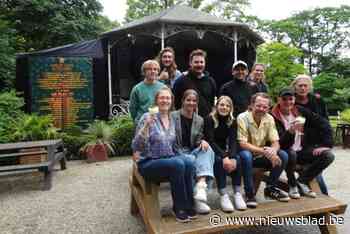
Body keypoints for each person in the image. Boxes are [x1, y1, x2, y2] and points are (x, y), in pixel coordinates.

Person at [132, 87, 196, 223]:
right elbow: (136, 146)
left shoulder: (172, 119)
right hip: (148, 163)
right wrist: (146, 127)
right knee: (177, 164)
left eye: (168, 98)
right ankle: (179, 207)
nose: (165, 100)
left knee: (188, 162)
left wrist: (186, 157)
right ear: (156, 100)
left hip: (169, 160)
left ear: (171, 101)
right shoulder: (147, 117)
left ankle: (189, 205)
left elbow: (174, 146)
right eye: (162, 98)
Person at [271, 88, 335, 198]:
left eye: (290, 99)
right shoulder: (272, 115)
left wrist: (326, 145)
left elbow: (323, 123)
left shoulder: (299, 110)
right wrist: (290, 132)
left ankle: (302, 181)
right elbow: (280, 143)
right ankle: (292, 185)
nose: (288, 102)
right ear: (278, 100)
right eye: (284, 99)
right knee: (291, 153)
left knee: (328, 155)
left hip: (302, 151)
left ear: (294, 100)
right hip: (284, 152)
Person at [237, 93, 290, 208]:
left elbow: (275, 141)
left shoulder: (269, 118)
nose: (261, 109)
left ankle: (270, 188)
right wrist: (265, 151)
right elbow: (242, 143)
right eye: (258, 105)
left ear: (268, 108)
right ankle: (249, 194)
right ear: (251, 105)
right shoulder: (242, 117)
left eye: (265, 107)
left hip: (259, 155)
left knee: (283, 155)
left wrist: (273, 151)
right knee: (246, 155)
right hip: (243, 156)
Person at [171, 89, 215, 214]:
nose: (191, 103)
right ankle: (195, 201)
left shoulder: (199, 120)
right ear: (183, 101)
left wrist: (202, 141)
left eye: (194, 101)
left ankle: (201, 187)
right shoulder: (173, 116)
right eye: (188, 100)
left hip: (191, 150)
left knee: (208, 149)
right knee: (190, 162)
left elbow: (197, 139)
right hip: (177, 151)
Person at [204, 96, 247, 212]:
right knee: (219, 161)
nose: (224, 107)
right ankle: (223, 194)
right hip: (211, 150)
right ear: (217, 106)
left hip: (225, 149)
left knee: (237, 159)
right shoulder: (209, 119)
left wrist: (232, 157)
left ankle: (237, 193)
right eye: (222, 105)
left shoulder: (232, 121)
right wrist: (224, 157)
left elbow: (233, 140)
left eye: (227, 106)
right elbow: (210, 141)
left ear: (231, 108)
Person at [291, 74, 329, 195]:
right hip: (297, 146)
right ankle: (324, 202)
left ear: (310, 87)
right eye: (300, 85)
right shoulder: (290, 101)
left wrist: (326, 144)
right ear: (295, 87)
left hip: (315, 145)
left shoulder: (317, 100)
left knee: (315, 172)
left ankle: (323, 203)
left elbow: (325, 123)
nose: (303, 88)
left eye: (305, 85)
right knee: (314, 175)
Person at [172, 49, 216, 118]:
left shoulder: (210, 81)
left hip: (206, 122)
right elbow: (174, 103)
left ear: (205, 63)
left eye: (201, 62)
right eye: (196, 62)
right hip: (186, 121)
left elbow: (212, 103)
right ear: (190, 63)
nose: (199, 65)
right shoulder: (181, 81)